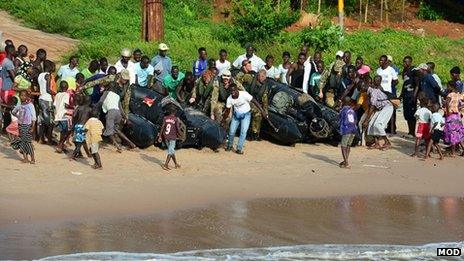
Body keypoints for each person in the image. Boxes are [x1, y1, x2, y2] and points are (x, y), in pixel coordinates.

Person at [221, 84, 267, 154]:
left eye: (234, 90)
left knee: (243, 132)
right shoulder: (229, 99)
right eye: (231, 91)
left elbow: (254, 101)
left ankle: (239, 148)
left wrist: (262, 111)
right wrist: (223, 120)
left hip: (246, 115)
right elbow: (227, 111)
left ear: (237, 89)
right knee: (231, 131)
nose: (232, 92)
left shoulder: (244, 94)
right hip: (236, 116)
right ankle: (229, 146)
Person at [97, 81, 137, 152]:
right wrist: (125, 118)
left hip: (111, 113)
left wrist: (95, 109)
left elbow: (100, 102)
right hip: (118, 113)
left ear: (108, 87)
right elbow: (121, 108)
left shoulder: (106, 93)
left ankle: (118, 146)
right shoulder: (117, 96)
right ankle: (131, 143)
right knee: (116, 130)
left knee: (109, 131)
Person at [363, 75, 394, 150]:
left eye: (361, 88)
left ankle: (387, 142)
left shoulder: (374, 92)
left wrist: (366, 120)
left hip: (387, 107)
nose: (361, 90)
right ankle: (377, 143)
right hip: (380, 108)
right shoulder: (370, 91)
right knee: (371, 124)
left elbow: (372, 106)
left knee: (377, 125)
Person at [11, 90, 36, 164]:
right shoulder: (19, 106)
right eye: (21, 95)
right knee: (22, 142)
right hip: (21, 125)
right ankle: (25, 158)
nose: (23, 97)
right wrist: (18, 116)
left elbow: (33, 117)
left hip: (28, 126)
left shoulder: (30, 105)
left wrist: (33, 127)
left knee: (28, 142)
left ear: (27, 96)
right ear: (19, 96)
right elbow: (13, 112)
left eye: (24, 95)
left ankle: (33, 158)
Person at [376, 55, 398, 134]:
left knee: (391, 112)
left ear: (386, 61)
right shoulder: (378, 70)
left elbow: (396, 81)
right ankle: (380, 129)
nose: (380, 62)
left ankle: (392, 130)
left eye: (382, 60)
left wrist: (389, 86)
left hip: (388, 93)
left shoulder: (391, 70)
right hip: (380, 93)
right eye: (380, 60)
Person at [400, 56, 420, 136]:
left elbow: (417, 84)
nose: (404, 63)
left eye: (406, 61)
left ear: (410, 62)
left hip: (411, 96)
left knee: (412, 114)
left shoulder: (413, 71)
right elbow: (404, 84)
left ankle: (413, 132)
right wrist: (401, 94)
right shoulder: (405, 71)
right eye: (403, 61)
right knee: (407, 114)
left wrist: (414, 96)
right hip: (405, 95)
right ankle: (409, 131)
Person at [38, 60, 56, 144]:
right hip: (47, 99)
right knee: (51, 121)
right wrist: (57, 93)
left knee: (42, 120)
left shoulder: (40, 75)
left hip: (41, 98)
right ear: (49, 67)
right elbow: (48, 90)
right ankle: (49, 140)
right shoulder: (48, 76)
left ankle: (41, 139)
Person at [158, 104, 182, 170]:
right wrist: (181, 136)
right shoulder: (176, 119)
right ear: (175, 112)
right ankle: (166, 165)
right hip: (172, 137)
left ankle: (176, 164)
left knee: (171, 150)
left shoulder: (165, 118)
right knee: (170, 151)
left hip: (166, 137)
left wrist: (160, 136)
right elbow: (177, 128)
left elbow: (162, 127)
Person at [444, 81, 464, 157]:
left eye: (448, 86)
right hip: (458, 116)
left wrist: (448, 111)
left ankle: (453, 152)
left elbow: (447, 103)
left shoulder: (450, 95)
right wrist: (459, 108)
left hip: (451, 116)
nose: (447, 88)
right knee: (459, 134)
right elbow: (462, 103)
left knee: (452, 135)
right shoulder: (458, 95)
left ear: (451, 87)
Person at [248, 69, 269, 140]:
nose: (261, 78)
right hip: (248, 100)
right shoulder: (251, 80)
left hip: (256, 103)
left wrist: (265, 112)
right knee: (257, 113)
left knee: (259, 114)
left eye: (263, 76)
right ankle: (252, 133)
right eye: (260, 76)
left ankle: (255, 133)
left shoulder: (265, 87)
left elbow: (265, 101)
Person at [54, 81, 73, 153]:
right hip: (64, 115)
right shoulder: (66, 95)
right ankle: (60, 145)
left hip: (58, 115)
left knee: (63, 131)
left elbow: (55, 104)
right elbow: (66, 105)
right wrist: (72, 106)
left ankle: (61, 145)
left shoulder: (57, 94)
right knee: (66, 131)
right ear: (67, 87)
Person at [71, 94, 92, 160]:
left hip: (77, 125)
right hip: (83, 126)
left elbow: (74, 116)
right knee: (80, 142)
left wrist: (73, 124)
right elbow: (91, 118)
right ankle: (73, 155)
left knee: (80, 140)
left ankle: (87, 154)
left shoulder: (79, 108)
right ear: (89, 102)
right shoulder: (89, 109)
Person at [339, 96, 357, 168]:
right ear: (350, 103)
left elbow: (340, 119)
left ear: (343, 102)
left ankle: (346, 162)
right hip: (353, 129)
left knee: (343, 146)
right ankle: (345, 160)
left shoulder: (343, 110)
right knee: (348, 145)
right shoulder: (352, 110)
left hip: (346, 129)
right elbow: (355, 120)